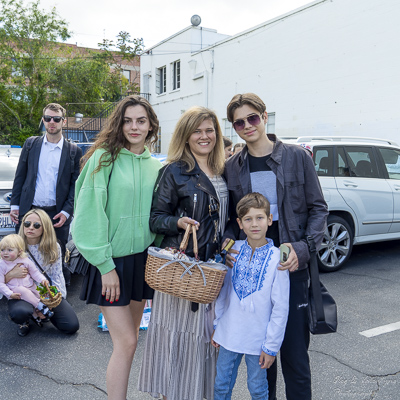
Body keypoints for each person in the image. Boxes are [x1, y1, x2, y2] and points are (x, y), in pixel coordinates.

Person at [223, 93, 328, 400]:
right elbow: (232, 218)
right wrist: (229, 245)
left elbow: (318, 209)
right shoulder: (233, 166)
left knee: (295, 354)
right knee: (261, 357)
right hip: (255, 263)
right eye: (239, 122)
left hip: (289, 257)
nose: (247, 126)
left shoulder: (296, 156)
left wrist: (303, 249)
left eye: (252, 118)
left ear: (265, 117)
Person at [71, 95, 162, 400]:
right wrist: (105, 265)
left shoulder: (155, 166)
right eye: (127, 120)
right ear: (118, 124)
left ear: (151, 126)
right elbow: (87, 215)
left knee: (131, 340)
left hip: (142, 264)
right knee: (126, 343)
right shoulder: (103, 159)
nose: (134, 127)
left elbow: (157, 216)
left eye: (141, 121)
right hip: (111, 264)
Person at [138, 106, 228, 400]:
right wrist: (177, 221)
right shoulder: (174, 170)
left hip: (212, 273)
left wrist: (228, 242)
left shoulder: (223, 169)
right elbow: (155, 217)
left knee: (205, 345)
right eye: (197, 131)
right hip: (183, 273)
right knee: (176, 345)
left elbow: (226, 220)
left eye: (209, 130)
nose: (204, 136)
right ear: (186, 136)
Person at [212, 193, 290, 400]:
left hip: (258, 339)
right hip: (229, 333)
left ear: (269, 219)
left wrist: (271, 346)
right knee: (221, 386)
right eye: (248, 219)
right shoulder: (233, 250)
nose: (254, 224)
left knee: (257, 388)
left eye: (259, 218)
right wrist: (217, 324)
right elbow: (223, 292)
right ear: (239, 223)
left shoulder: (278, 257)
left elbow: (280, 307)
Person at [10, 103, 82, 285]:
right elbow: (20, 176)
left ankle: (56, 299)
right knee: (23, 256)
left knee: (55, 258)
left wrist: (67, 212)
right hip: (30, 211)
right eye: (48, 118)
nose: (52, 122)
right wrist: (15, 205)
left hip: (57, 215)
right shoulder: (31, 144)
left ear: (63, 122)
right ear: (43, 120)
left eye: (56, 119)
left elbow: (76, 186)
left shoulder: (73, 151)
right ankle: (26, 298)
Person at [7, 209, 79, 337]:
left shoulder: (54, 246)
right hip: (22, 291)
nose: (30, 228)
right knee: (20, 312)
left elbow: (57, 275)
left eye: (36, 225)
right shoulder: (13, 247)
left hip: (45, 290)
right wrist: (11, 275)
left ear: (45, 227)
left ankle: (43, 312)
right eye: (27, 223)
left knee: (71, 326)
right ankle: (25, 320)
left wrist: (53, 301)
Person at [0, 234, 54, 321]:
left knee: (39, 294)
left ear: (20, 251)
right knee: (26, 293)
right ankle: (41, 307)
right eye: (2, 250)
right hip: (15, 289)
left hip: (30, 285)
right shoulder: (2, 265)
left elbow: (35, 273)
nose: (5, 253)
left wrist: (42, 280)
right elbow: (0, 283)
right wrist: (9, 294)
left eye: (10, 250)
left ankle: (37, 316)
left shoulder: (25, 260)